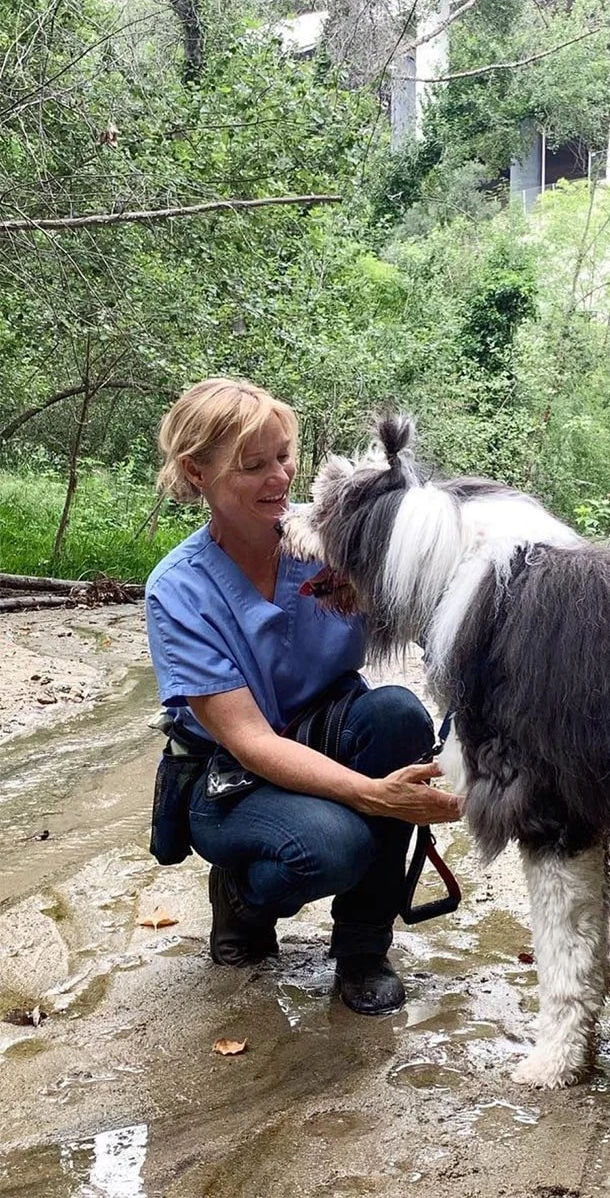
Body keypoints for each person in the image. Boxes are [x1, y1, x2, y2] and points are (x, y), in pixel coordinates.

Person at [145, 377, 461, 1015]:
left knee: (399, 714)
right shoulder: (179, 590)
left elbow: (437, 622)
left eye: (285, 456)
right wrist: (375, 795)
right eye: (253, 465)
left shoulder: (335, 551)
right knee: (334, 845)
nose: (279, 478)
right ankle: (242, 895)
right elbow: (251, 740)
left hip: (329, 727)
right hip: (233, 775)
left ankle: (364, 949)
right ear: (195, 472)